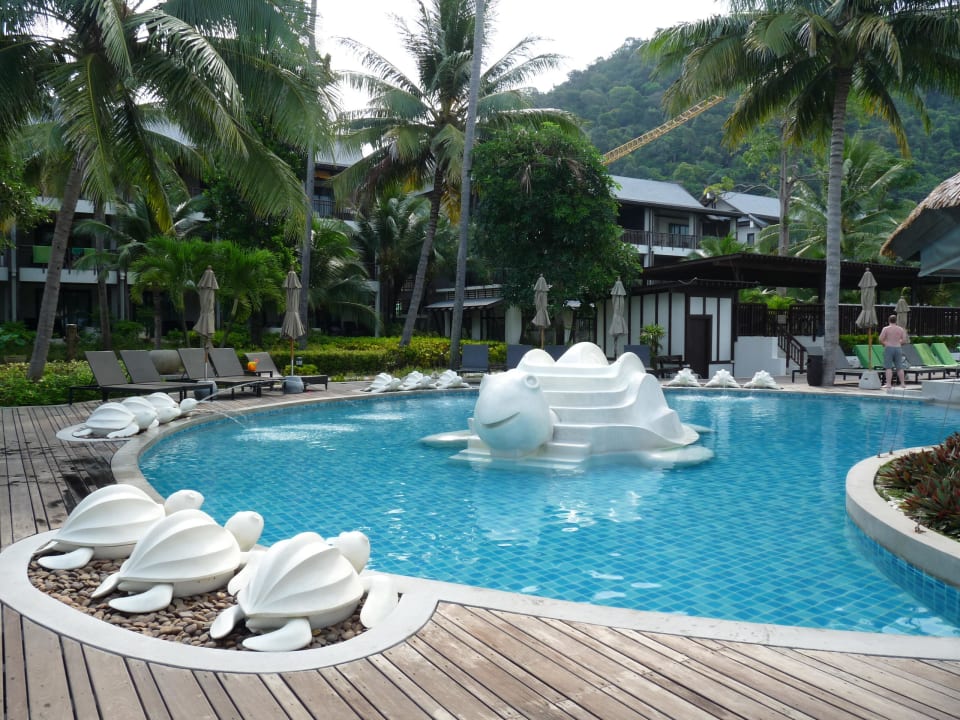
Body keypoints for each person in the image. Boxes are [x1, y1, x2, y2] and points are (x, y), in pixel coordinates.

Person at [878, 314, 908, 390]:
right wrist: (898, 343)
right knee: (899, 367)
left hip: (889, 348)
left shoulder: (886, 329)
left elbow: (880, 339)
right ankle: (902, 384)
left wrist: (885, 344)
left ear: (889, 320)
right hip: (898, 348)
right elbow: (904, 340)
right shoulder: (901, 329)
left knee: (888, 367)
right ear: (896, 321)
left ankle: (888, 384)